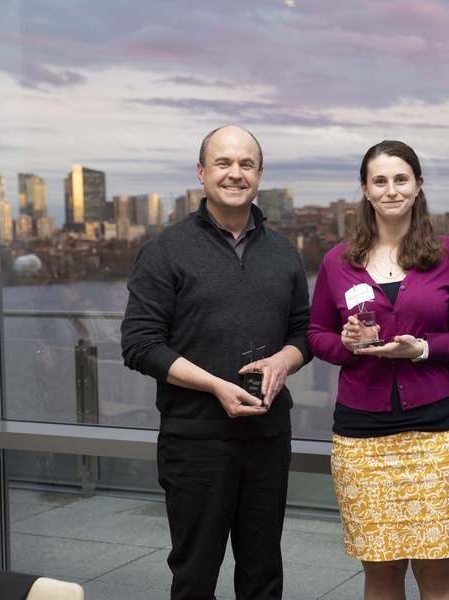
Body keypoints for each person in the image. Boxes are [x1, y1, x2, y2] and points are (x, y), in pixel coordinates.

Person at [121, 125, 311, 600]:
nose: (235, 173)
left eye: (246, 164)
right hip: (196, 440)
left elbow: (304, 332)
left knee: (263, 574)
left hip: (268, 438)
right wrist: (214, 386)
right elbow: (139, 343)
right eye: (223, 163)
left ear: (260, 174)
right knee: (195, 576)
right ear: (202, 172)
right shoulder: (165, 250)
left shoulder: (285, 252)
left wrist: (283, 363)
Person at [308, 140, 449, 600]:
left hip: (435, 437)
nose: (391, 189)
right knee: (381, 575)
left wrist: (421, 349)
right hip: (361, 439)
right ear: (365, 189)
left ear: (418, 186)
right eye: (380, 180)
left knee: (438, 573)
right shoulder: (338, 262)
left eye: (401, 179)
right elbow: (316, 332)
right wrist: (343, 345)